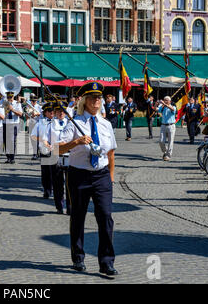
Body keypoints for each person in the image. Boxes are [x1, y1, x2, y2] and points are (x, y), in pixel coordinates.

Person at [58, 81, 118, 276]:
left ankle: (107, 262)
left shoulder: (106, 124)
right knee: (77, 217)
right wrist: (76, 142)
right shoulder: (74, 122)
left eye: (99, 97)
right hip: (79, 175)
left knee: (106, 217)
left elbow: (110, 153)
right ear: (84, 100)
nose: (96, 101)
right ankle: (78, 257)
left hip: (101, 176)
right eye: (92, 97)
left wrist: (110, 178)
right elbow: (57, 148)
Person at [42, 100, 69, 214]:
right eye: (58, 111)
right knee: (57, 183)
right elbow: (44, 139)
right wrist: (48, 145)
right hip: (55, 155)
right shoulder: (50, 125)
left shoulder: (71, 123)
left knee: (70, 184)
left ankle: (70, 206)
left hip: (69, 155)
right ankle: (59, 205)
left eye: (63, 111)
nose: (61, 113)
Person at [31, 101, 54, 199]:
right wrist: (43, 141)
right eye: (49, 111)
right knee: (46, 172)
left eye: (53, 110)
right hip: (45, 150)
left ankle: (56, 190)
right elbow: (33, 136)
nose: (52, 112)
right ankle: (47, 190)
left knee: (56, 172)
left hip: (56, 149)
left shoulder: (58, 122)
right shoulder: (40, 123)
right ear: (45, 112)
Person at [3, 91, 23, 164]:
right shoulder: (4, 103)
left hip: (14, 123)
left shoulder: (17, 104)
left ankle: (12, 157)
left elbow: (20, 114)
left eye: (11, 97)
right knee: (5, 141)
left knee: (12, 141)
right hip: (5, 123)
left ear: (13, 96)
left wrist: (12, 109)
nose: (9, 99)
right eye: (8, 97)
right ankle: (8, 157)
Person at [157, 96, 177, 161]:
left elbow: (173, 110)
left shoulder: (173, 107)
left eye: (166, 100)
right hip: (163, 125)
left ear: (170, 101)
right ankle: (165, 152)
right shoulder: (162, 107)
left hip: (171, 125)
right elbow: (155, 109)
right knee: (161, 141)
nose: (165, 101)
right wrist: (156, 103)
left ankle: (168, 155)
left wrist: (165, 104)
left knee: (170, 141)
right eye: (164, 100)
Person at [27, 93, 42, 160]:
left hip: (38, 124)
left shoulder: (39, 107)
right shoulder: (28, 107)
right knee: (32, 140)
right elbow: (27, 115)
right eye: (32, 101)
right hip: (31, 124)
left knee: (38, 140)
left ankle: (38, 152)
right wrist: (30, 113)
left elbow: (42, 114)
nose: (33, 102)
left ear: (36, 101)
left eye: (34, 101)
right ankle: (35, 153)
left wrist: (37, 114)